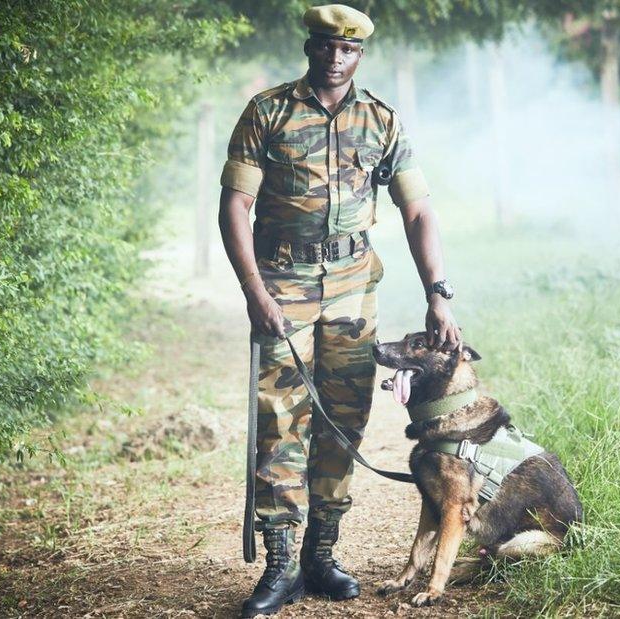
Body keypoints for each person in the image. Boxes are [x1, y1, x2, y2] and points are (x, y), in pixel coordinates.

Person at [217, 4, 462, 617]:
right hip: (283, 285)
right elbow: (234, 206)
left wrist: (438, 290)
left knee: (343, 421)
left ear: (360, 56)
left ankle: (320, 556)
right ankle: (279, 567)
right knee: (281, 421)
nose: (335, 58)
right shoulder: (268, 112)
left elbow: (419, 210)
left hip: (354, 289)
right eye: (326, 46)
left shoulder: (381, 121)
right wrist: (255, 290)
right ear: (310, 47)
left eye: (347, 50)